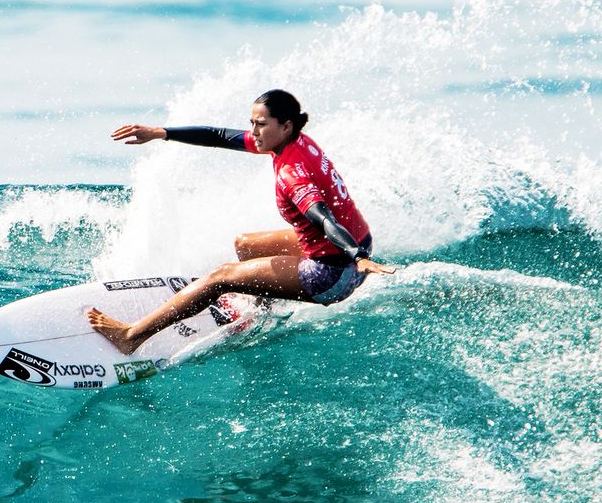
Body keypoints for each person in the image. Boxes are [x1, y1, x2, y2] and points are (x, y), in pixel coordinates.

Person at [87, 90, 394, 355]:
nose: (254, 131)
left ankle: (131, 336)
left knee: (220, 277)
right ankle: (259, 315)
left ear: (285, 125)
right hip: (351, 246)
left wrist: (357, 257)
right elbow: (220, 136)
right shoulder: (296, 141)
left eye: (261, 125)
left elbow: (322, 216)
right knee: (245, 245)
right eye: (252, 124)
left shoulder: (292, 173)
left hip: (334, 271)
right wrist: (160, 132)